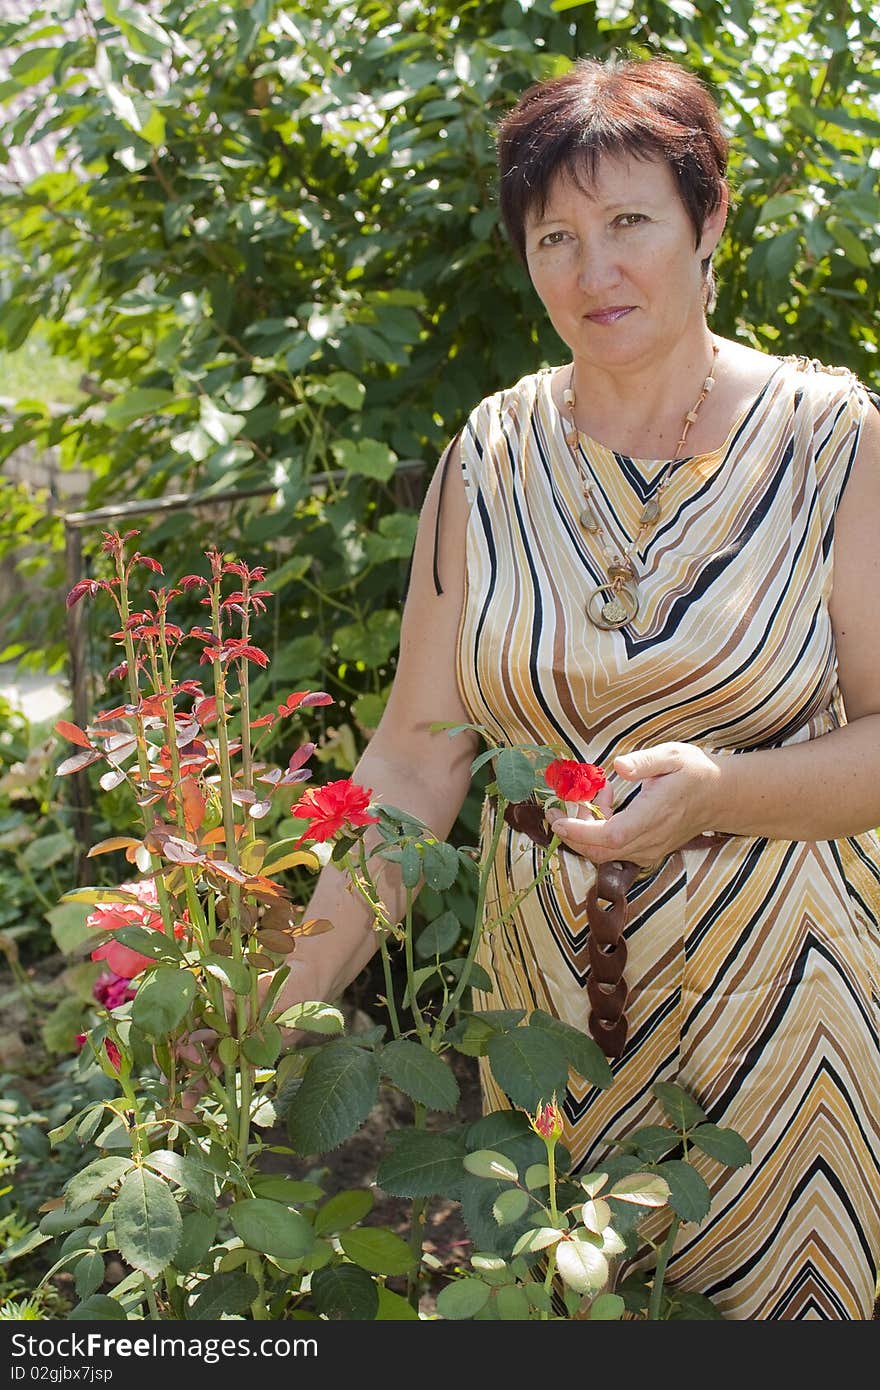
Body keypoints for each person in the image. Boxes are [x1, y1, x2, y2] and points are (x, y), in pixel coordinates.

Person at [232, 56, 880, 1319]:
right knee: (557, 1309)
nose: (594, 273)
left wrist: (722, 791)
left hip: (784, 1013)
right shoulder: (492, 452)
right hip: (538, 1017)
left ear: (709, 223)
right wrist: (280, 1001)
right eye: (555, 238)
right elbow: (415, 761)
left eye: (629, 222)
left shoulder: (834, 442)